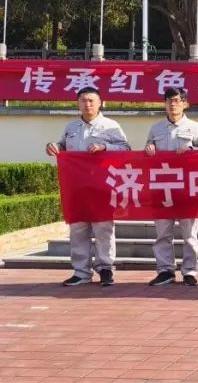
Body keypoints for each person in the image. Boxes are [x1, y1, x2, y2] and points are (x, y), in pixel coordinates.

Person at [46, 86, 131, 287]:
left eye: (91, 100)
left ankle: (106, 268)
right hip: (76, 187)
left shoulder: (111, 126)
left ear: (100, 103)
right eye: (83, 100)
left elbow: (126, 149)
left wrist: (105, 147)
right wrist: (54, 146)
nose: (87, 104)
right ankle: (81, 271)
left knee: (103, 229)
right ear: (78, 103)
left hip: (102, 186)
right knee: (78, 229)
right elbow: (62, 146)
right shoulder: (71, 127)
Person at [144, 87, 198, 287]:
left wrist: (191, 148)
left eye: (176, 100)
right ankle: (165, 270)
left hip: (187, 187)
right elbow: (147, 155)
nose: (172, 104)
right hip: (162, 187)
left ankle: (189, 271)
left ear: (185, 103)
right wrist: (149, 148)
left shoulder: (194, 127)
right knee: (163, 233)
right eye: (169, 101)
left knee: (189, 234)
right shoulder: (155, 129)